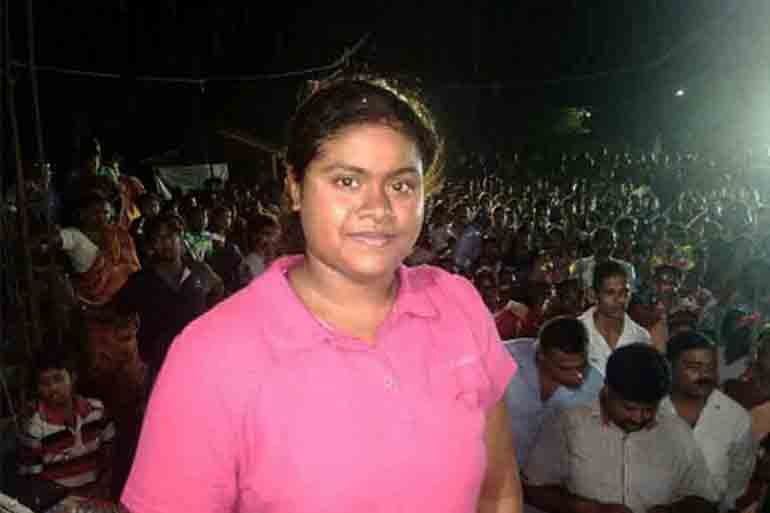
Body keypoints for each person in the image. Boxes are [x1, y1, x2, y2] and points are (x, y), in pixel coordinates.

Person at [121, 75, 522, 512]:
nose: (378, 208)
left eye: (401, 185)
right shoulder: (210, 356)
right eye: (347, 181)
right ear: (295, 187)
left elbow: (498, 492)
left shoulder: (457, 305)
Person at [523, 343, 719, 513]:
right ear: (607, 388)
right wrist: (591, 509)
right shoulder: (568, 424)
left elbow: (705, 500)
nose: (639, 418)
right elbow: (532, 489)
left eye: (649, 409)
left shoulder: (676, 432)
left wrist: (672, 511)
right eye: (629, 408)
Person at [661, 331, 755, 512]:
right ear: (669, 367)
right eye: (694, 367)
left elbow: (737, 483)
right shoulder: (649, 410)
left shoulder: (736, 418)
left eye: (711, 367)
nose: (704, 375)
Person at [503, 317, 602, 470]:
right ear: (541, 356)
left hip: (549, 479)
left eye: (581, 366)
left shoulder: (595, 386)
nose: (578, 376)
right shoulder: (503, 360)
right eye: (565, 368)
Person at [17, 349, 115, 497]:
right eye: (44, 383)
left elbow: (111, 457)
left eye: (58, 379)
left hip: (98, 498)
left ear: (73, 377)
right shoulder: (33, 428)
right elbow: (32, 482)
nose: (53, 388)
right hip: (58, 503)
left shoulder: (97, 411)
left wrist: (102, 489)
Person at [578, 260, 652, 375]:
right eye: (610, 293)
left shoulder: (640, 337)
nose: (620, 300)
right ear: (593, 295)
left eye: (624, 292)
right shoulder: (576, 332)